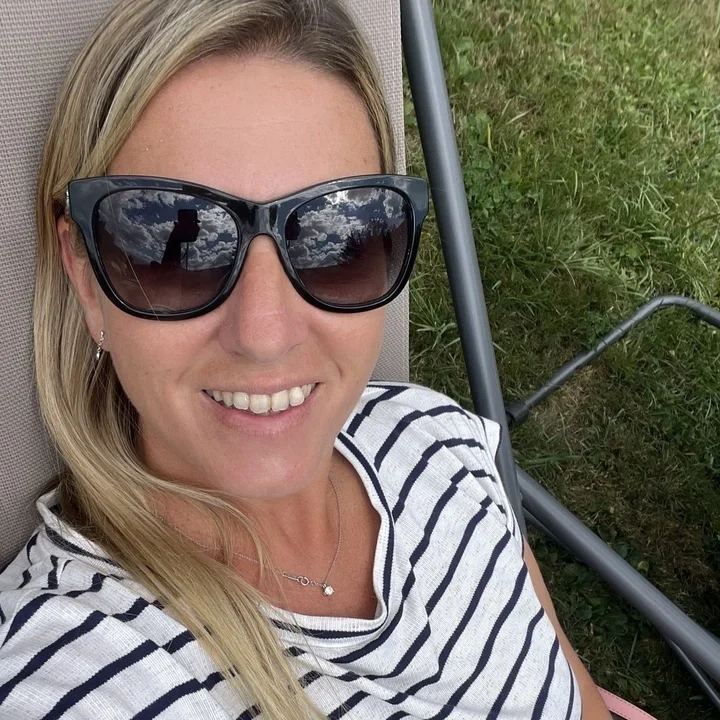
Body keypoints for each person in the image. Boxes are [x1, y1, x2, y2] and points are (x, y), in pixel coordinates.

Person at [0, 1, 611, 718]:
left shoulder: (439, 440)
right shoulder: (77, 667)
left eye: (336, 235)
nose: (265, 335)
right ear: (85, 277)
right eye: (175, 245)